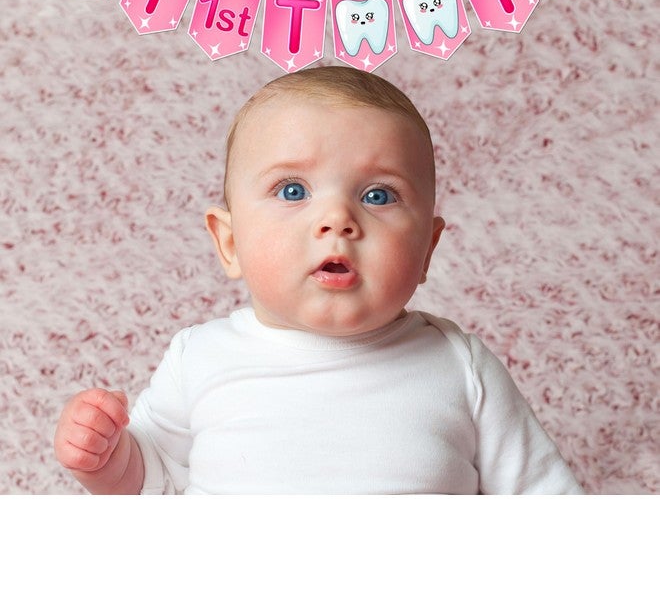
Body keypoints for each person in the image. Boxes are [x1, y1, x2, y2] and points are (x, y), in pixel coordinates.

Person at [54, 66, 583, 494]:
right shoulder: (201, 357)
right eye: (292, 191)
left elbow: (545, 506)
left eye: (378, 195)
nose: (337, 219)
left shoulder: (459, 366)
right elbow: (158, 480)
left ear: (427, 250)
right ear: (229, 242)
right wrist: (108, 457)